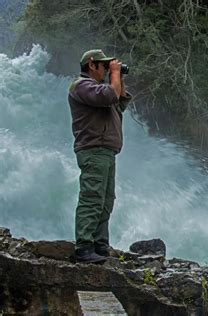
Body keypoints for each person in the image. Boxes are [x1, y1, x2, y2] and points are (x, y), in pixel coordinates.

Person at [68, 49, 132, 263]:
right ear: (92, 65)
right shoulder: (81, 86)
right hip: (93, 149)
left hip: (105, 150)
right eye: (104, 66)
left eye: (109, 66)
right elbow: (109, 96)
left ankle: (100, 245)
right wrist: (114, 76)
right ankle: (84, 247)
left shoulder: (100, 89)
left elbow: (118, 101)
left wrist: (118, 77)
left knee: (106, 200)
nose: (107, 69)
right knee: (92, 198)